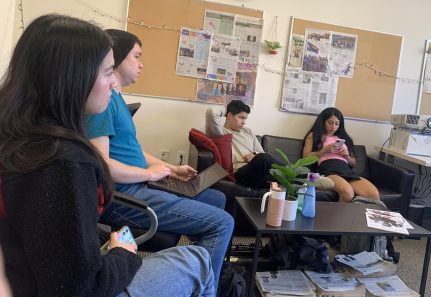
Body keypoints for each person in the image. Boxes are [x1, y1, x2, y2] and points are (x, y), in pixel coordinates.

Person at [0, 14, 214, 296]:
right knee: (197, 259)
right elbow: (82, 287)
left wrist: (168, 167)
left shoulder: (22, 136)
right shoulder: (64, 161)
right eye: (107, 72)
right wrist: (123, 254)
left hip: (29, 269)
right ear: (73, 77)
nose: (113, 84)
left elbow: (56, 232)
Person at [85, 29, 233, 288]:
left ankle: (197, 265)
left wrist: (170, 169)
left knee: (216, 198)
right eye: (137, 56)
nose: (141, 64)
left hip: (140, 185)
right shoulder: (103, 103)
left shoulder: (117, 98)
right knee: (222, 223)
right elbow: (103, 165)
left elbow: (133, 149)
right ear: (116, 58)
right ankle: (204, 286)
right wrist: (150, 174)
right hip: (125, 196)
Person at [302, 107, 379, 202]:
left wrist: (347, 156)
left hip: (346, 170)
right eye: (330, 123)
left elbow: (353, 164)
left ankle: (356, 213)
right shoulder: (314, 135)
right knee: (348, 193)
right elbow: (305, 157)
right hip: (329, 170)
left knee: (373, 195)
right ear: (322, 122)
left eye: (337, 124)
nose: (333, 127)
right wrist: (324, 150)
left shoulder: (344, 138)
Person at [206, 100, 279, 189]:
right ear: (229, 116)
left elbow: (261, 152)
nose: (244, 122)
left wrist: (254, 155)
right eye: (241, 117)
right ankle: (294, 173)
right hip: (241, 172)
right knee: (263, 158)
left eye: (245, 119)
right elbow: (211, 112)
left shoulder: (248, 131)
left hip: (258, 171)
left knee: (264, 160)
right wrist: (228, 109)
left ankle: (293, 177)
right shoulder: (220, 133)